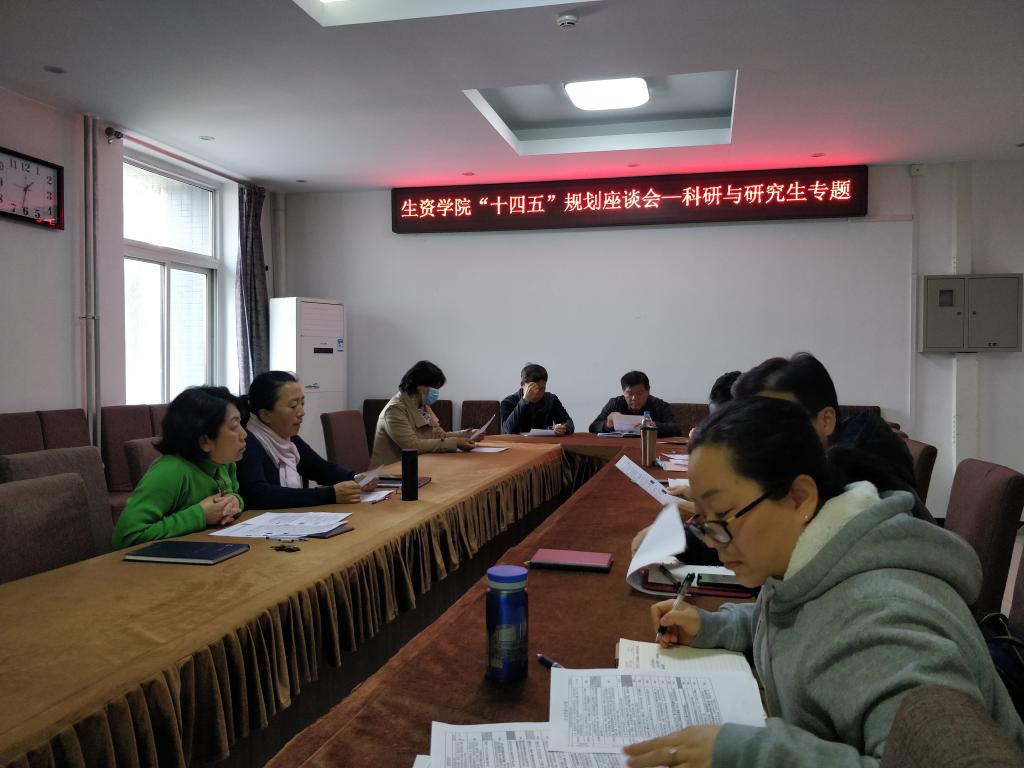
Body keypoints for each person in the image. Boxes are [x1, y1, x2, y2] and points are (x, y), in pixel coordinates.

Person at [626, 396, 1024, 768]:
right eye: (703, 520)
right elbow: (801, 620)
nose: (712, 541)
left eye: (724, 517)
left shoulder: (884, 627)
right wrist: (720, 625)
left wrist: (751, 754)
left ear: (799, 497)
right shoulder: (810, 558)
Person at [731, 352, 930, 520]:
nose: (763, 439)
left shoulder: (857, 485)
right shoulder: (817, 465)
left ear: (826, 421)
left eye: (778, 422)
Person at [112, 386, 246, 548]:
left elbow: (233, 494)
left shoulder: (224, 462)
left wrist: (235, 501)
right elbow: (127, 536)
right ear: (204, 441)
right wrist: (200, 515)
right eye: (234, 426)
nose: (244, 434)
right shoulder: (170, 471)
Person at [236, 371, 376, 509]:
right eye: (293, 406)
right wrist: (329, 494)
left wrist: (356, 477)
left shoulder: (289, 440)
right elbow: (258, 494)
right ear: (266, 415)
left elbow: (321, 469)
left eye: (302, 403)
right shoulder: (247, 443)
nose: (301, 412)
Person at [371, 360, 477, 465]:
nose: (436, 392)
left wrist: (467, 434)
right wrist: (455, 442)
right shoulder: (394, 410)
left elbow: (439, 436)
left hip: (418, 465)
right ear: (420, 386)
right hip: (390, 472)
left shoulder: (422, 406)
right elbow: (412, 445)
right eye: (434, 388)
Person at [589, 370, 681, 436]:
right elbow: (593, 427)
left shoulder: (660, 405)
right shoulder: (615, 403)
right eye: (629, 394)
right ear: (623, 392)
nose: (634, 398)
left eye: (639, 393)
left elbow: (676, 430)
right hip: (620, 446)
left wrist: (653, 425)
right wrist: (607, 425)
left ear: (648, 390)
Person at [500, 363, 574, 435]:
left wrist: (563, 428)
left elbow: (569, 423)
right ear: (522, 385)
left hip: (545, 442)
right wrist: (524, 400)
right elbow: (507, 430)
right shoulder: (508, 402)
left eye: (542, 388)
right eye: (533, 388)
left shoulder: (551, 399)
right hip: (518, 443)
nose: (538, 393)